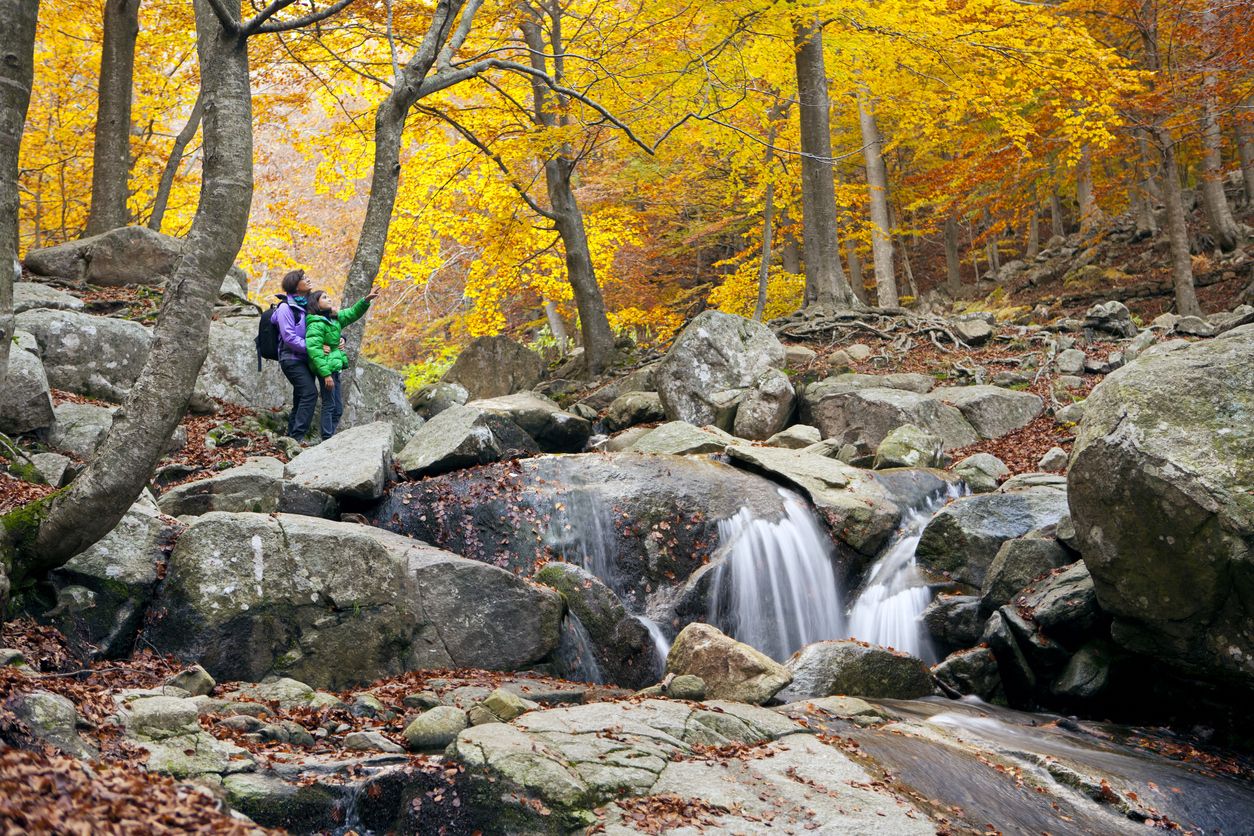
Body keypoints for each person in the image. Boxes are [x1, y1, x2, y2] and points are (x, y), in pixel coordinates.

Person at [304, 287, 379, 439]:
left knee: (337, 409)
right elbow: (314, 351)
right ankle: (326, 438)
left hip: (334, 368)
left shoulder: (333, 319)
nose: (329, 299)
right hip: (326, 370)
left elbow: (352, 313)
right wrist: (326, 375)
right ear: (316, 305)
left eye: (329, 296)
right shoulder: (315, 324)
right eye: (324, 297)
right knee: (329, 405)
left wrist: (366, 300)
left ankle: (329, 437)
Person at [274, 269, 319, 440]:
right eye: (303, 279)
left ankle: (290, 436)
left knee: (301, 397)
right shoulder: (286, 307)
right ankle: (297, 438)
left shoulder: (309, 304)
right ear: (294, 285)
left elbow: (326, 324)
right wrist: (314, 348)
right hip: (291, 359)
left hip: (307, 359)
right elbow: (289, 337)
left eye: (307, 277)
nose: (308, 280)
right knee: (310, 393)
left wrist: (341, 338)